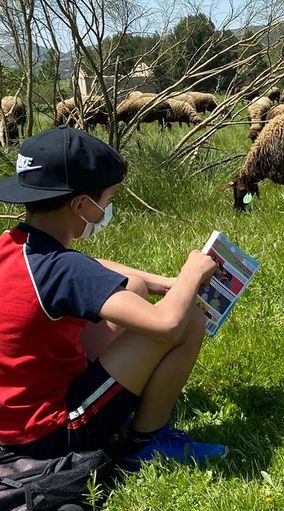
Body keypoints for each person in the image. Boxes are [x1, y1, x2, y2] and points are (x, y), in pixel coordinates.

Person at [0, 126, 227, 466]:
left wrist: (164, 283)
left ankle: (121, 406)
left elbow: (91, 268)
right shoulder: (64, 269)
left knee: (131, 286)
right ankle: (148, 441)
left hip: (13, 421)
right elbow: (166, 324)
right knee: (189, 320)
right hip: (53, 433)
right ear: (82, 206)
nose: (107, 209)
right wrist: (191, 275)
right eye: (108, 199)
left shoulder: (16, 246)